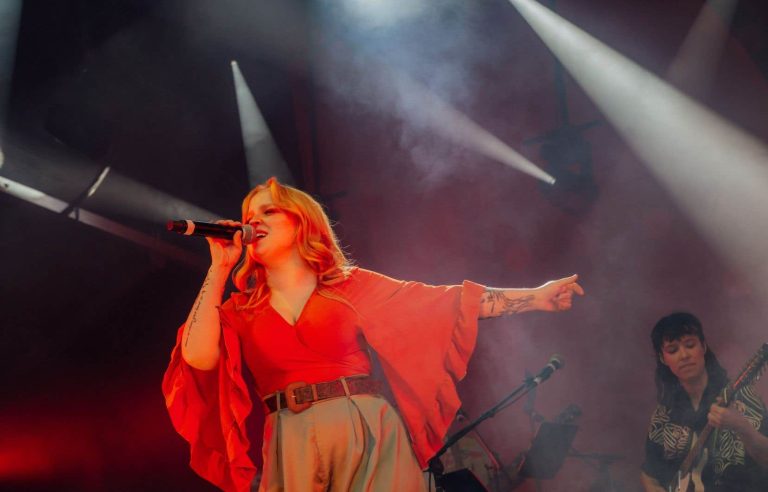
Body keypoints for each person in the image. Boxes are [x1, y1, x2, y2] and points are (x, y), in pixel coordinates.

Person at [162, 177, 584, 492]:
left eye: (268, 212)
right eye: (250, 217)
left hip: (364, 424)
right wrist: (219, 268)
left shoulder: (351, 287)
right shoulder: (241, 308)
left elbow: (448, 303)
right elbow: (197, 357)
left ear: (303, 222)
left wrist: (536, 297)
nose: (254, 222)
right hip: (290, 435)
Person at [640, 312, 768, 492]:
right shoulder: (663, 415)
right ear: (663, 359)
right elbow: (649, 475)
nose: (684, 355)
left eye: (690, 345)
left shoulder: (742, 399)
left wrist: (742, 427)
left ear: (703, 347)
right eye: (673, 350)